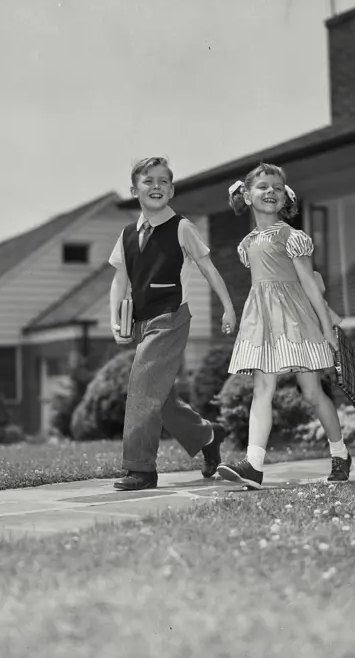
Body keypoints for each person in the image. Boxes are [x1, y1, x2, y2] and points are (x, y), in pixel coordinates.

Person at [217, 162, 352, 489]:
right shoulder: (248, 243)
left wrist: (327, 329)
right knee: (263, 389)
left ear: (284, 196)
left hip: (296, 321)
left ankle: (340, 453)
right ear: (247, 196)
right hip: (263, 321)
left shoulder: (292, 237)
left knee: (312, 393)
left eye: (277, 187)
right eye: (263, 186)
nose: (271, 192)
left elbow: (309, 286)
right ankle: (254, 465)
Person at [109, 156, 237, 491]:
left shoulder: (182, 227)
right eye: (148, 181)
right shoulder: (126, 235)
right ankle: (207, 435)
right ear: (134, 190)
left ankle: (142, 470)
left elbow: (208, 267)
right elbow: (119, 279)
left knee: (142, 387)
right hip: (141, 321)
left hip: (171, 316)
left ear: (172, 189)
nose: (156, 187)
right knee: (158, 395)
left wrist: (227, 307)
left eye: (163, 181)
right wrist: (114, 318)